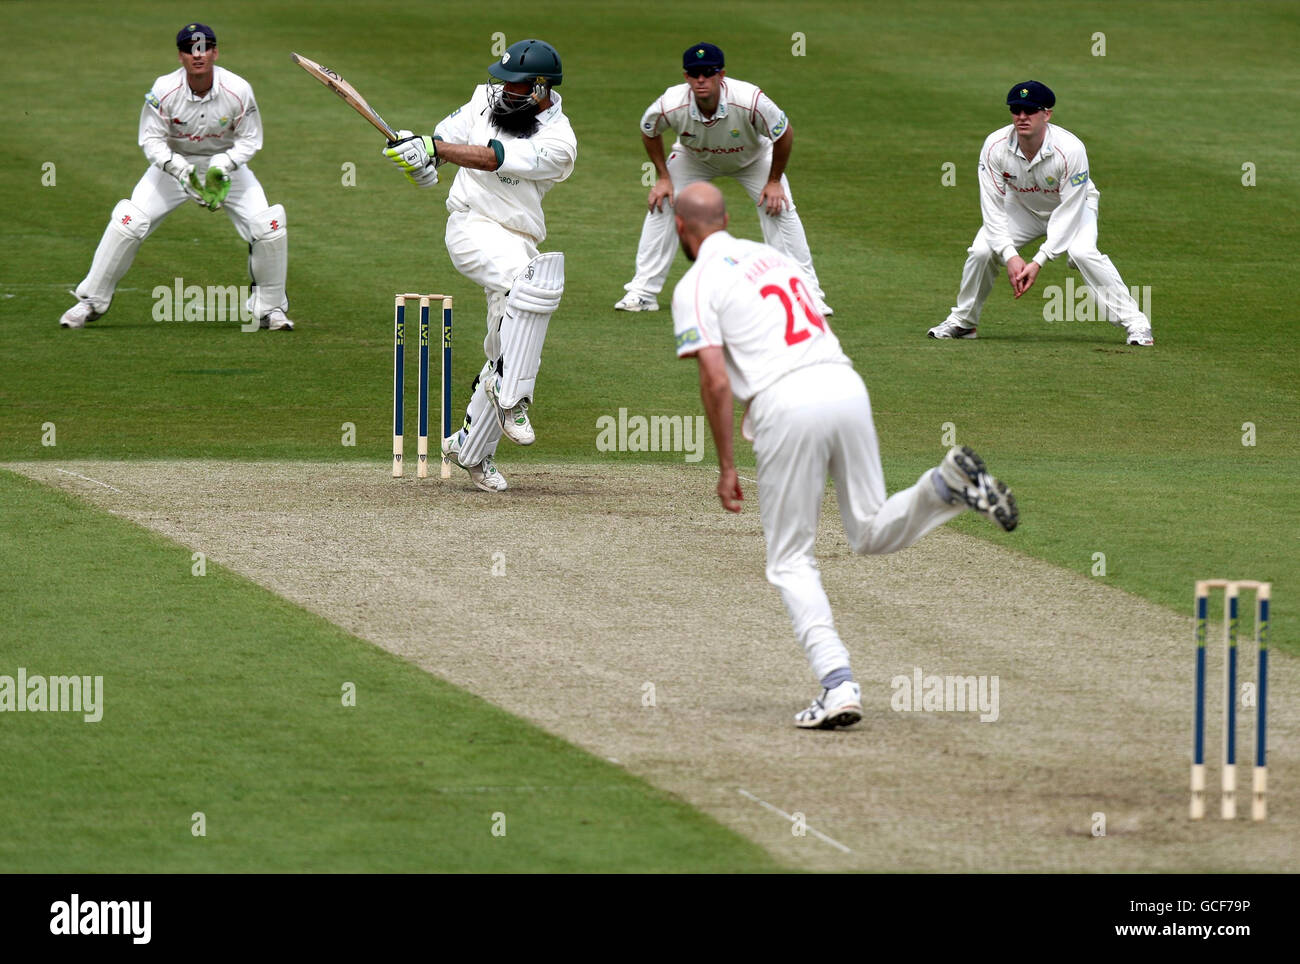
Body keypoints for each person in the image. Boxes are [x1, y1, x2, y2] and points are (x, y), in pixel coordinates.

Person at [671, 182, 1018, 729]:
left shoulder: (695, 283)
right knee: (868, 531)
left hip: (787, 402)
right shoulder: (773, 258)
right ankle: (943, 486)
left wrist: (727, 465)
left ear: (678, 228)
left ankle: (837, 684)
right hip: (843, 381)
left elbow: (714, 380)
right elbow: (807, 330)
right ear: (727, 217)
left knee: (789, 559)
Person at [384, 38, 576, 492]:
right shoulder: (481, 99)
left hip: (517, 238)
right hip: (471, 226)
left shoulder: (560, 141)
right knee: (527, 290)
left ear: (542, 88)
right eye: (503, 81)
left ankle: (469, 448)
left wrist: (433, 149)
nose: (504, 90)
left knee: (509, 347)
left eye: (517, 84)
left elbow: (491, 158)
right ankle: (511, 398)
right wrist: (420, 163)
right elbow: (441, 144)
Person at [60, 23, 293, 331]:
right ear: (181, 56)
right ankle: (89, 302)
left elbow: (250, 139)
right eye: (190, 50)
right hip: (173, 167)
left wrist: (222, 165)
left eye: (205, 48)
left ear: (215, 52)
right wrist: (179, 170)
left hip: (225, 168)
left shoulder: (238, 90)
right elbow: (151, 140)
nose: (198, 56)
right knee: (129, 221)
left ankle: (270, 309)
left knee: (269, 226)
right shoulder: (163, 90)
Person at [614, 42, 830, 317]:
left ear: (721, 75)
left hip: (753, 159)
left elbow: (784, 133)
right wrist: (663, 177)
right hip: (694, 159)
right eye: (694, 74)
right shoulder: (671, 102)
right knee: (663, 202)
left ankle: (805, 295)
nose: (701, 80)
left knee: (780, 207)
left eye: (708, 73)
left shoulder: (750, 99)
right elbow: (649, 130)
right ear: (686, 77)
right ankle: (642, 293)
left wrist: (774, 181)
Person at [929, 81, 1153, 345]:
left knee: (1082, 252)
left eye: (1031, 110)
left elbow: (1069, 211)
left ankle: (1137, 324)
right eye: (1016, 110)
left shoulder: (1070, 149)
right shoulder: (994, 146)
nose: (1022, 117)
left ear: (1047, 114)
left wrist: (1039, 260)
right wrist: (1010, 256)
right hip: (1022, 206)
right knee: (981, 251)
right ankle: (964, 323)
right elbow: (992, 207)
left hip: (1074, 206)